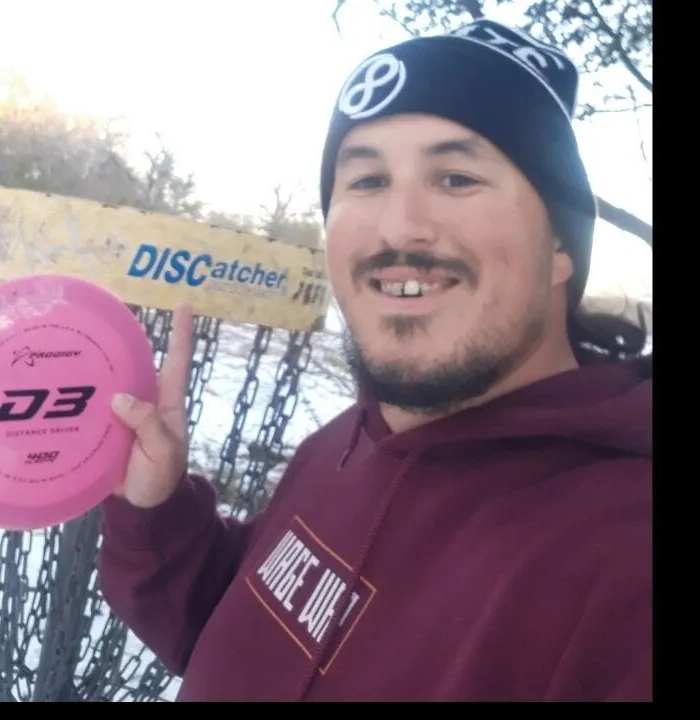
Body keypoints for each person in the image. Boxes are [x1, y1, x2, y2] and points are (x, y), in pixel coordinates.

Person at [97, 18, 652, 702]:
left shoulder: (625, 565)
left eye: (455, 177)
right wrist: (159, 511)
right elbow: (231, 633)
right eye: (365, 180)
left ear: (561, 249)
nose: (398, 227)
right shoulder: (342, 445)